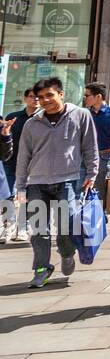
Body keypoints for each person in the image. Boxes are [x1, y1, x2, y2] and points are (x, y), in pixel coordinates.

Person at [14, 77, 98, 289]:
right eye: (40, 97)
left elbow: (89, 146)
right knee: (39, 230)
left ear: (61, 94)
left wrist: (92, 172)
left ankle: (67, 253)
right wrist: (21, 186)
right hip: (37, 183)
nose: (45, 100)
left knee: (65, 227)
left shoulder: (80, 115)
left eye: (49, 95)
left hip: (67, 181)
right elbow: (24, 156)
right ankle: (42, 269)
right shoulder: (32, 124)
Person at [2, 88, 38, 243]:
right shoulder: (14, 117)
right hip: (11, 161)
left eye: (38, 97)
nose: (35, 99)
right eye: (32, 96)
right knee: (6, 195)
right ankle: (7, 226)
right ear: (25, 99)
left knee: (26, 197)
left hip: (33, 164)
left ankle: (23, 227)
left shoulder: (44, 119)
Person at [83, 83, 110, 202]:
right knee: (82, 191)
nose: (85, 98)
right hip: (84, 157)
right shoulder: (85, 114)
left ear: (98, 97)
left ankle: (100, 218)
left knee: (99, 194)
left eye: (87, 95)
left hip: (104, 157)